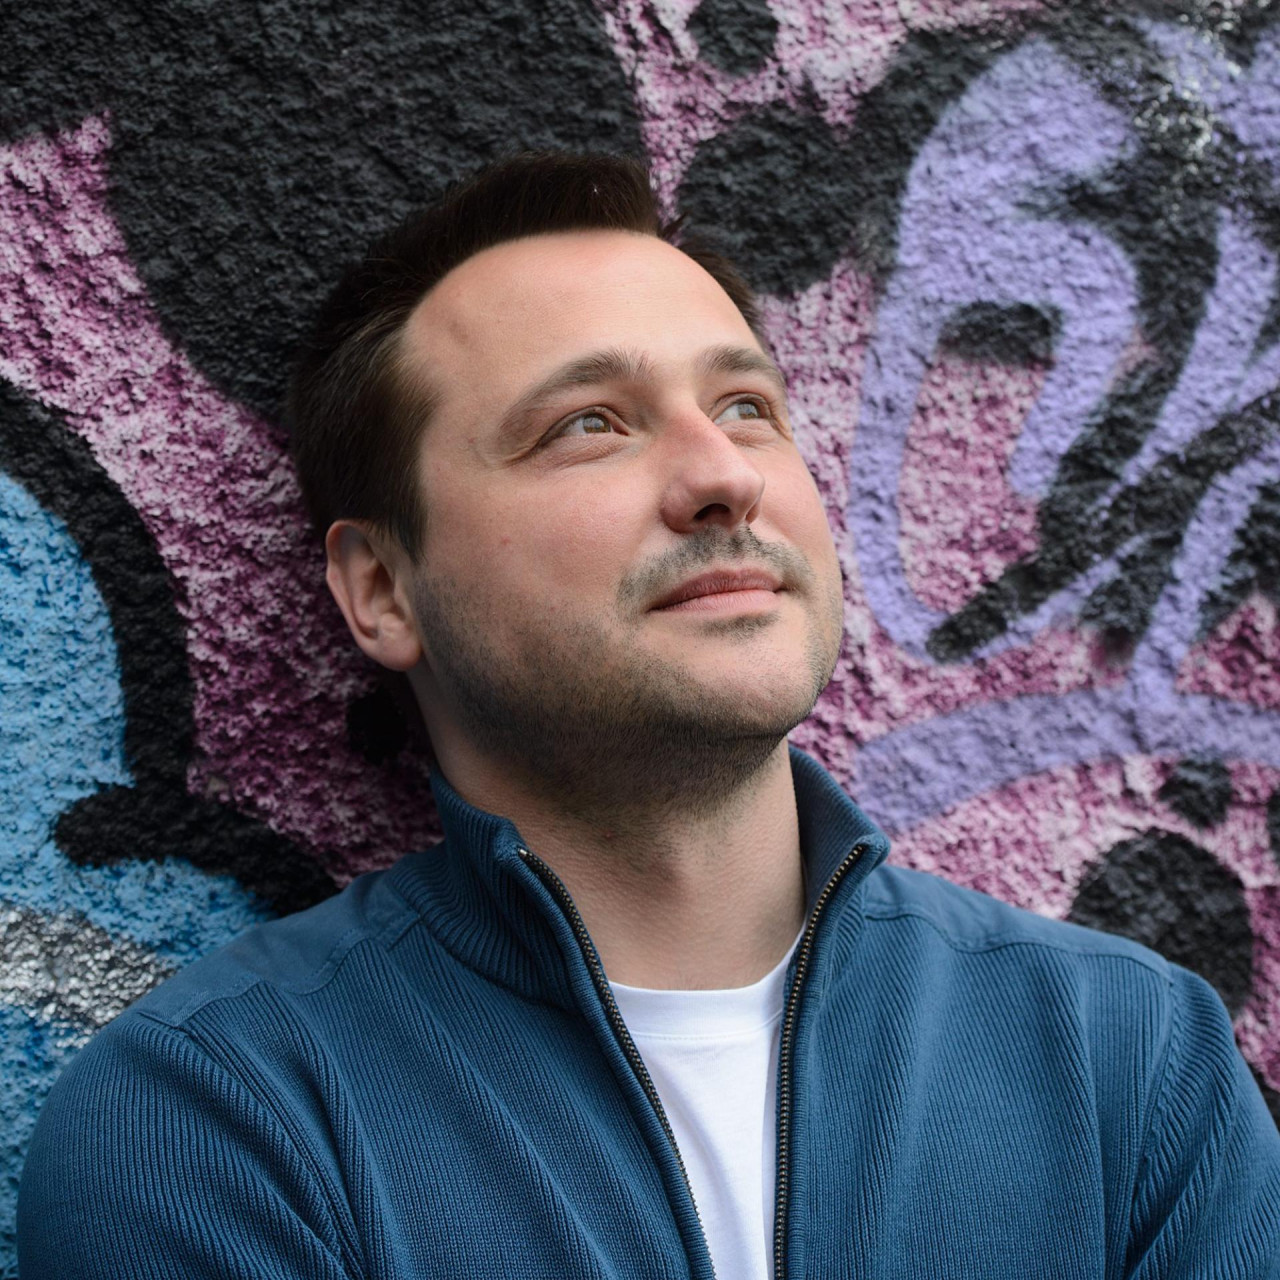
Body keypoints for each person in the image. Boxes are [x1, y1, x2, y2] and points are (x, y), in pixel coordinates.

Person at [17, 152, 1280, 1279]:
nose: (722, 476)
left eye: (746, 407)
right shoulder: (215, 1119)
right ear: (384, 588)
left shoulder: (1126, 1061)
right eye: (589, 424)